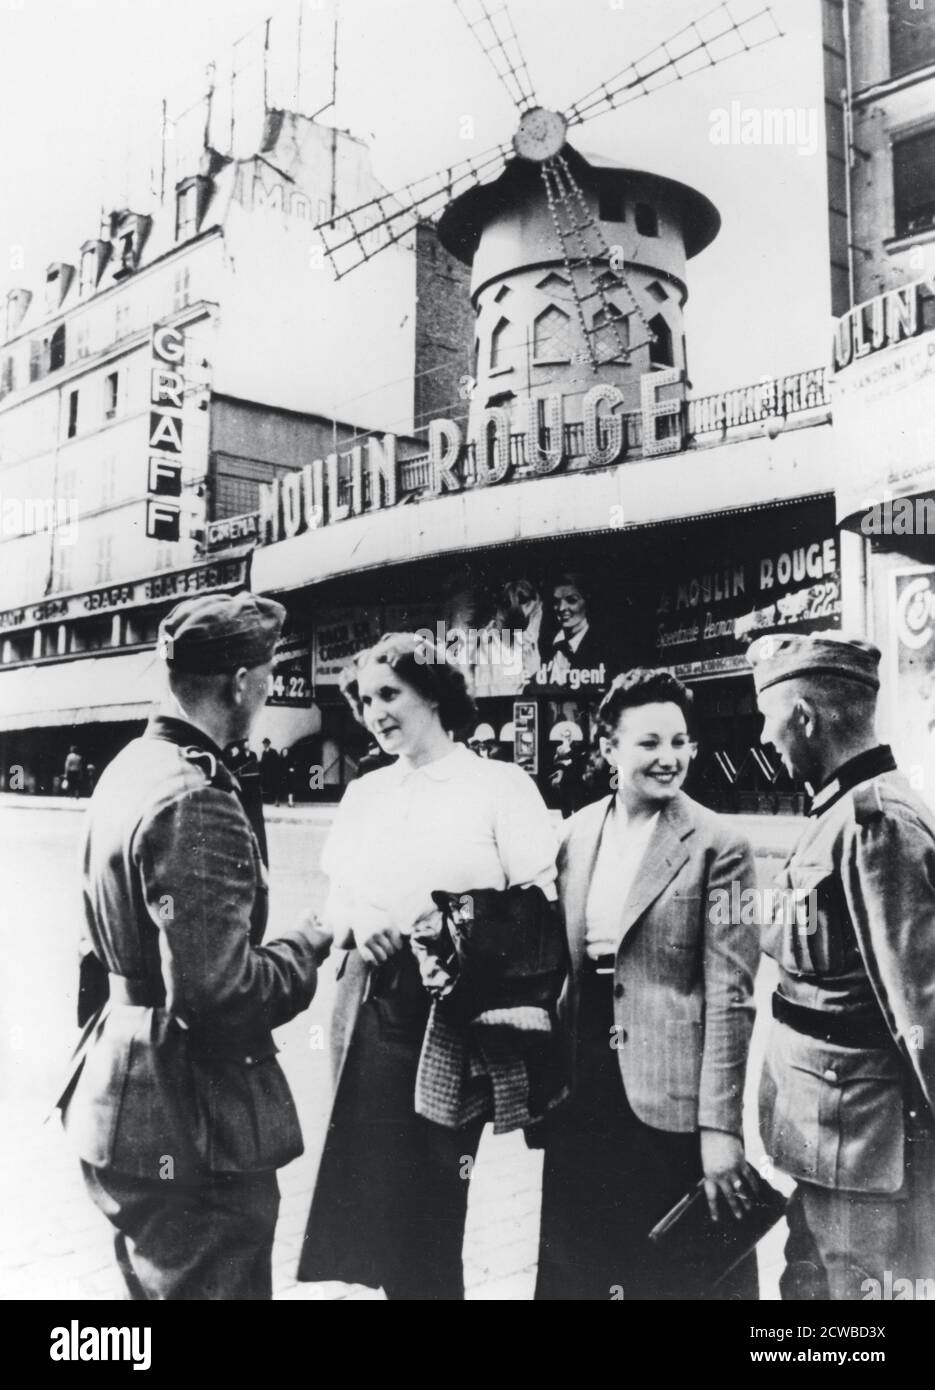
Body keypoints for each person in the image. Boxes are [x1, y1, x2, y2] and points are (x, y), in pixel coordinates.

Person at [56, 591, 332, 1301]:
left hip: (124, 1102)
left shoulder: (130, 768)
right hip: (194, 1116)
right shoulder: (197, 794)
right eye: (269, 674)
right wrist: (307, 944)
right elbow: (219, 994)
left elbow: (98, 954)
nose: (270, 689)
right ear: (240, 682)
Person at [297, 631, 558, 1300]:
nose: (376, 710)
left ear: (435, 692)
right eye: (364, 700)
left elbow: (537, 899)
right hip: (372, 1004)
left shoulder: (497, 785)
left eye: (391, 694)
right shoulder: (366, 795)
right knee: (380, 1199)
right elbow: (339, 902)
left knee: (437, 1199)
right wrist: (362, 925)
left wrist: (452, 924)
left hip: (454, 1012)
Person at [536, 668, 761, 1301]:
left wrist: (721, 1129)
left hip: (670, 1094)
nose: (670, 759)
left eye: (680, 742)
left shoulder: (722, 844)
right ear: (608, 747)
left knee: (673, 1272)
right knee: (581, 1262)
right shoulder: (575, 834)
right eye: (649, 743)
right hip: (586, 1084)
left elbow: (731, 995)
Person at [747, 632, 935, 1300]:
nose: (766, 741)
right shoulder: (835, 810)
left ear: (803, 716)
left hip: (860, 1145)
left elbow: (920, 1006)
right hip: (830, 1136)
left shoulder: (875, 823)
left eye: (770, 722)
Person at [259, 738, 282, 805]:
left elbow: (277, 761)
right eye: (264, 743)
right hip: (266, 773)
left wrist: (276, 770)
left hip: (273, 772)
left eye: (266, 743)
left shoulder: (273, 751)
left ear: (269, 744)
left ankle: (276, 800)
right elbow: (263, 763)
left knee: (274, 786)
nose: (265, 745)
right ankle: (270, 800)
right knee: (268, 786)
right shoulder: (263, 752)